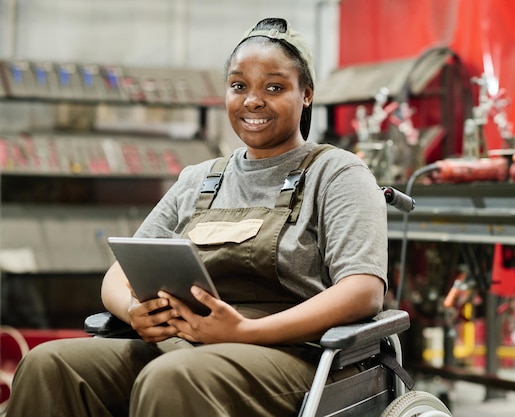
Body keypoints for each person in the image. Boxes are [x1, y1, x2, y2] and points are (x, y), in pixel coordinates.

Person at [6, 17, 388, 417]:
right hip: (187, 345)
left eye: (274, 87)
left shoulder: (337, 173)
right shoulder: (201, 178)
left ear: (306, 94)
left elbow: (363, 289)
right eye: (239, 86)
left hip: (292, 353)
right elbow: (118, 273)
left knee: (172, 378)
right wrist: (133, 312)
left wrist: (246, 331)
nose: (252, 101)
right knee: (48, 366)